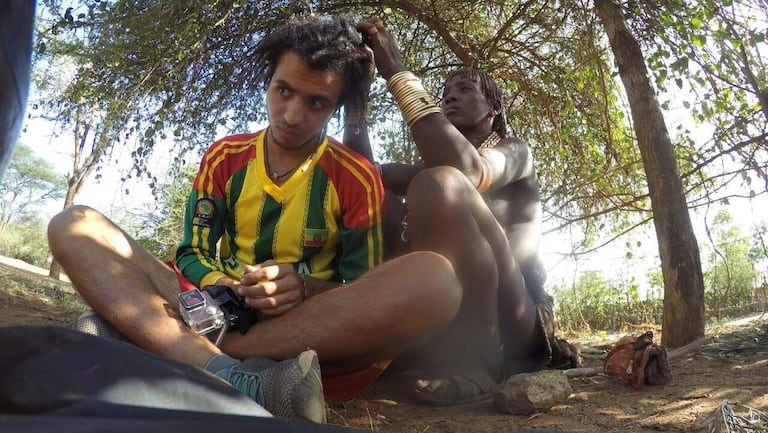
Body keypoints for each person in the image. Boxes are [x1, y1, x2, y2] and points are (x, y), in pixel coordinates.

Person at [346, 19, 581, 401]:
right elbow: (361, 175)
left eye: (465, 89)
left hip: (513, 319)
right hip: (443, 312)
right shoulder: (433, 169)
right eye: (446, 92)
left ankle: (480, 362)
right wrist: (358, 98)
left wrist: (397, 72)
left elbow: (468, 171)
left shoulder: (516, 152)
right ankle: (399, 342)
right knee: (382, 194)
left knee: (440, 184)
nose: (450, 97)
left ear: (494, 108)